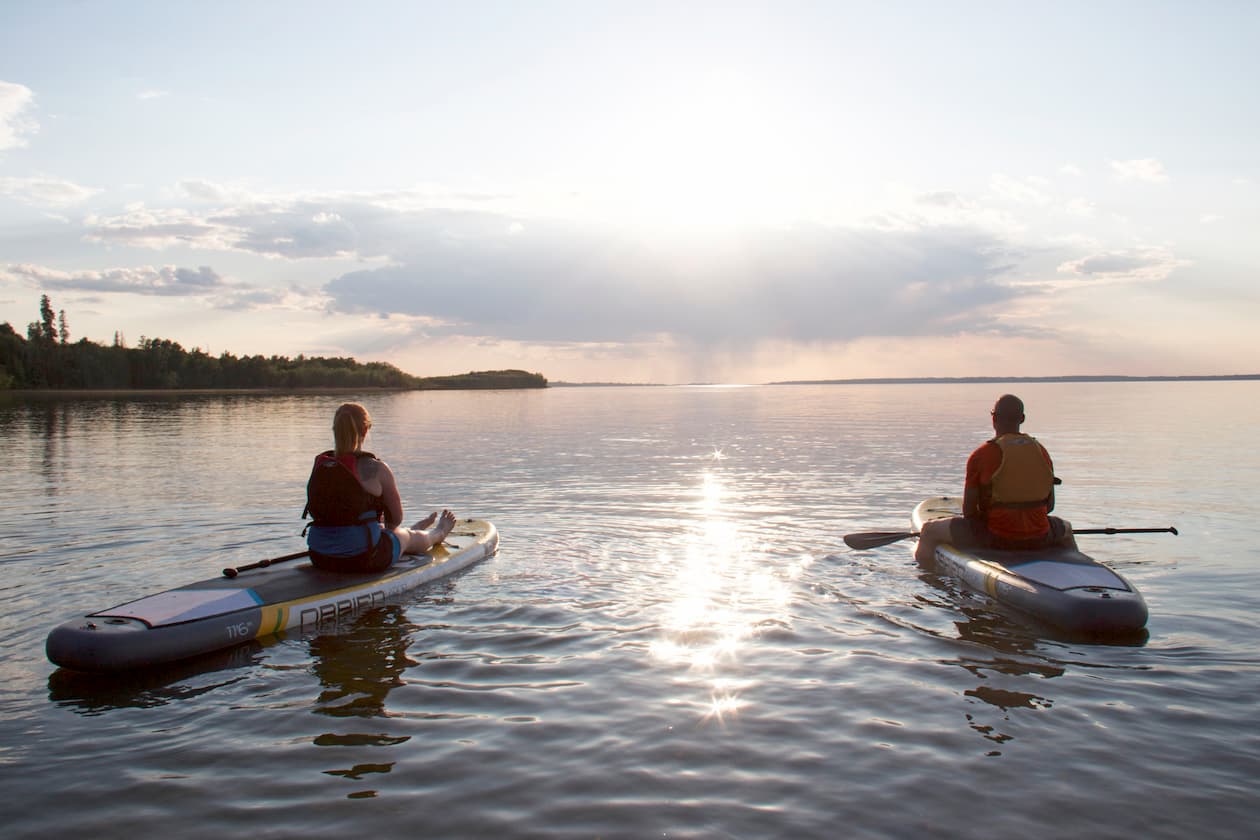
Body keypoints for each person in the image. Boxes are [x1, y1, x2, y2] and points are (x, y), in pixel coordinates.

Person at [915, 394, 1076, 564]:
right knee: (1065, 528)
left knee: (928, 530)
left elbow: (969, 512)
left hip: (997, 537)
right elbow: (1049, 507)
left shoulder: (981, 455)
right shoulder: (1041, 452)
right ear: (1022, 419)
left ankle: (925, 575)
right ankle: (1079, 567)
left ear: (994, 418)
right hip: (1040, 536)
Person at [303, 402, 456, 573]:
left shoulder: (321, 466)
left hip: (319, 556)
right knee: (405, 536)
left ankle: (412, 531)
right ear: (365, 430)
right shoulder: (377, 468)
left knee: (388, 532)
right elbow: (395, 520)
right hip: (365, 557)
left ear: (335, 430)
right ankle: (438, 533)